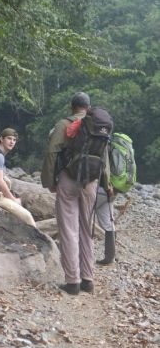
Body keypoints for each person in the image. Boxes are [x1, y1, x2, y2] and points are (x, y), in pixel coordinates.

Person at [41, 92, 111, 295]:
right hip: (91, 182)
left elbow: (52, 153)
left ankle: (72, 281)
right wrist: (106, 184)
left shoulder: (64, 124)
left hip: (69, 180)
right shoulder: (98, 127)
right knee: (86, 228)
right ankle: (88, 279)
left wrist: (49, 181)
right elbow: (104, 157)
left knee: (69, 229)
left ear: (72, 107)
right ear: (88, 108)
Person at [0, 128, 36, 227]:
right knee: (27, 216)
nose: (12, 142)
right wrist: (13, 200)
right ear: (2, 139)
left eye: (14, 140)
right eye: (9, 138)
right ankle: (38, 242)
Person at [95, 188, 116, 265]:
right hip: (112, 191)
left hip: (98, 190)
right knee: (109, 224)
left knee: (83, 220)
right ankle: (110, 257)